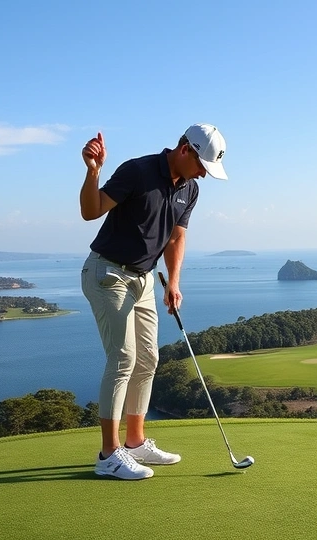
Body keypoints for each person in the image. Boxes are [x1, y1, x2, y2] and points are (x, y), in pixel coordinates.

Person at [79, 123, 227, 480]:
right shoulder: (138, 170)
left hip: (144, 278)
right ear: (185, 150)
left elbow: (177, 238)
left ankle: (135, 441)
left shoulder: (189, 189)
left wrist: (172, 283)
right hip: (108, 273)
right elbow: (92, 210)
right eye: (202, 166)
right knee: (123, 358)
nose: (203, 176)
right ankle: (108, 454)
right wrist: (93, 172)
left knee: (148, 358)